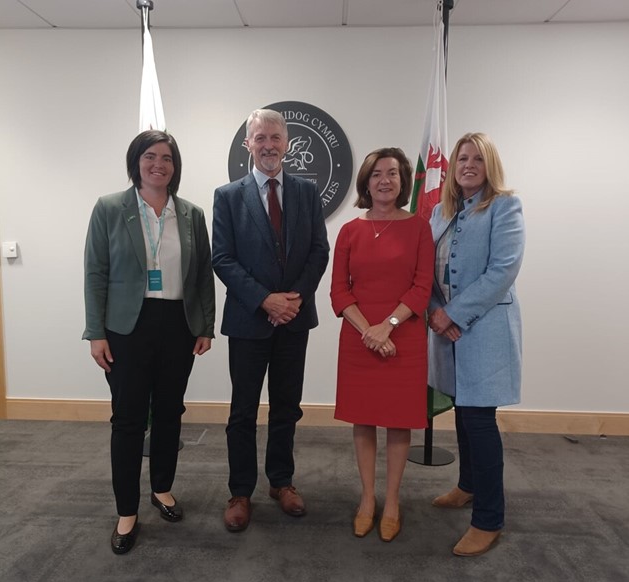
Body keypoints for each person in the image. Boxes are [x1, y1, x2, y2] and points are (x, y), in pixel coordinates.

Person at [83, 129, 216, 554]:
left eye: (168, 158)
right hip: (127, 327)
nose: (159, 164)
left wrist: (205, 325)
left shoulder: (191, 214)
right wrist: (96, 332)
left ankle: (161, 488)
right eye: (150, 156)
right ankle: (127, 510)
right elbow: (95, 273)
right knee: (127, 419)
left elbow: (202, 276)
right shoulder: (109, 208)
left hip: (177, 323)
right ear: (136, 161)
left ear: (176, 167)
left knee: (169, 412)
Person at [212, 108, 329, 532]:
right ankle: (240, 490)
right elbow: (222, 259)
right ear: (248, 144)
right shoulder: (228, 196)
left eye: (275, 137)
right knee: (242, 411)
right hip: (248, 320)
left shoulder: (306, 192)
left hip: (294, 321)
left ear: (287, 142)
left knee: (286, 408)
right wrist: (265, 301)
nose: (268, 145)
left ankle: (281, 481)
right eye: (259, 138)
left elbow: (319, 251)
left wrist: (291, 300)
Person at [427, 132, 525, 557]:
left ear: (490, 167)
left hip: (483, 329)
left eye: (477, 160)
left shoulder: (505, 207)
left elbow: (502, 270)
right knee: (462, 414)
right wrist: (436, 312)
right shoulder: (439, 212)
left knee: (480, 419)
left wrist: (453, 313)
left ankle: (489, 519)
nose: (468, 165)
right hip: (446, 330)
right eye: (462, 158)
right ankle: (468, 485)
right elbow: (425, 270)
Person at [330, 147, 434, 542]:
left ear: (403, 180)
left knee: (398, 419)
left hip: (403, 335)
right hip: (360, 338)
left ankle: (392, 501)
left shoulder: (419, 227)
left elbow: (422, 287)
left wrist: (387, 326)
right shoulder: (350, 231)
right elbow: (339, 292)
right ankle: (367, 498)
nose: (384, 180)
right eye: (376, 174)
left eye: (392, 173)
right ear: (366, 182)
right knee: (364, 418)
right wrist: (370, 331)